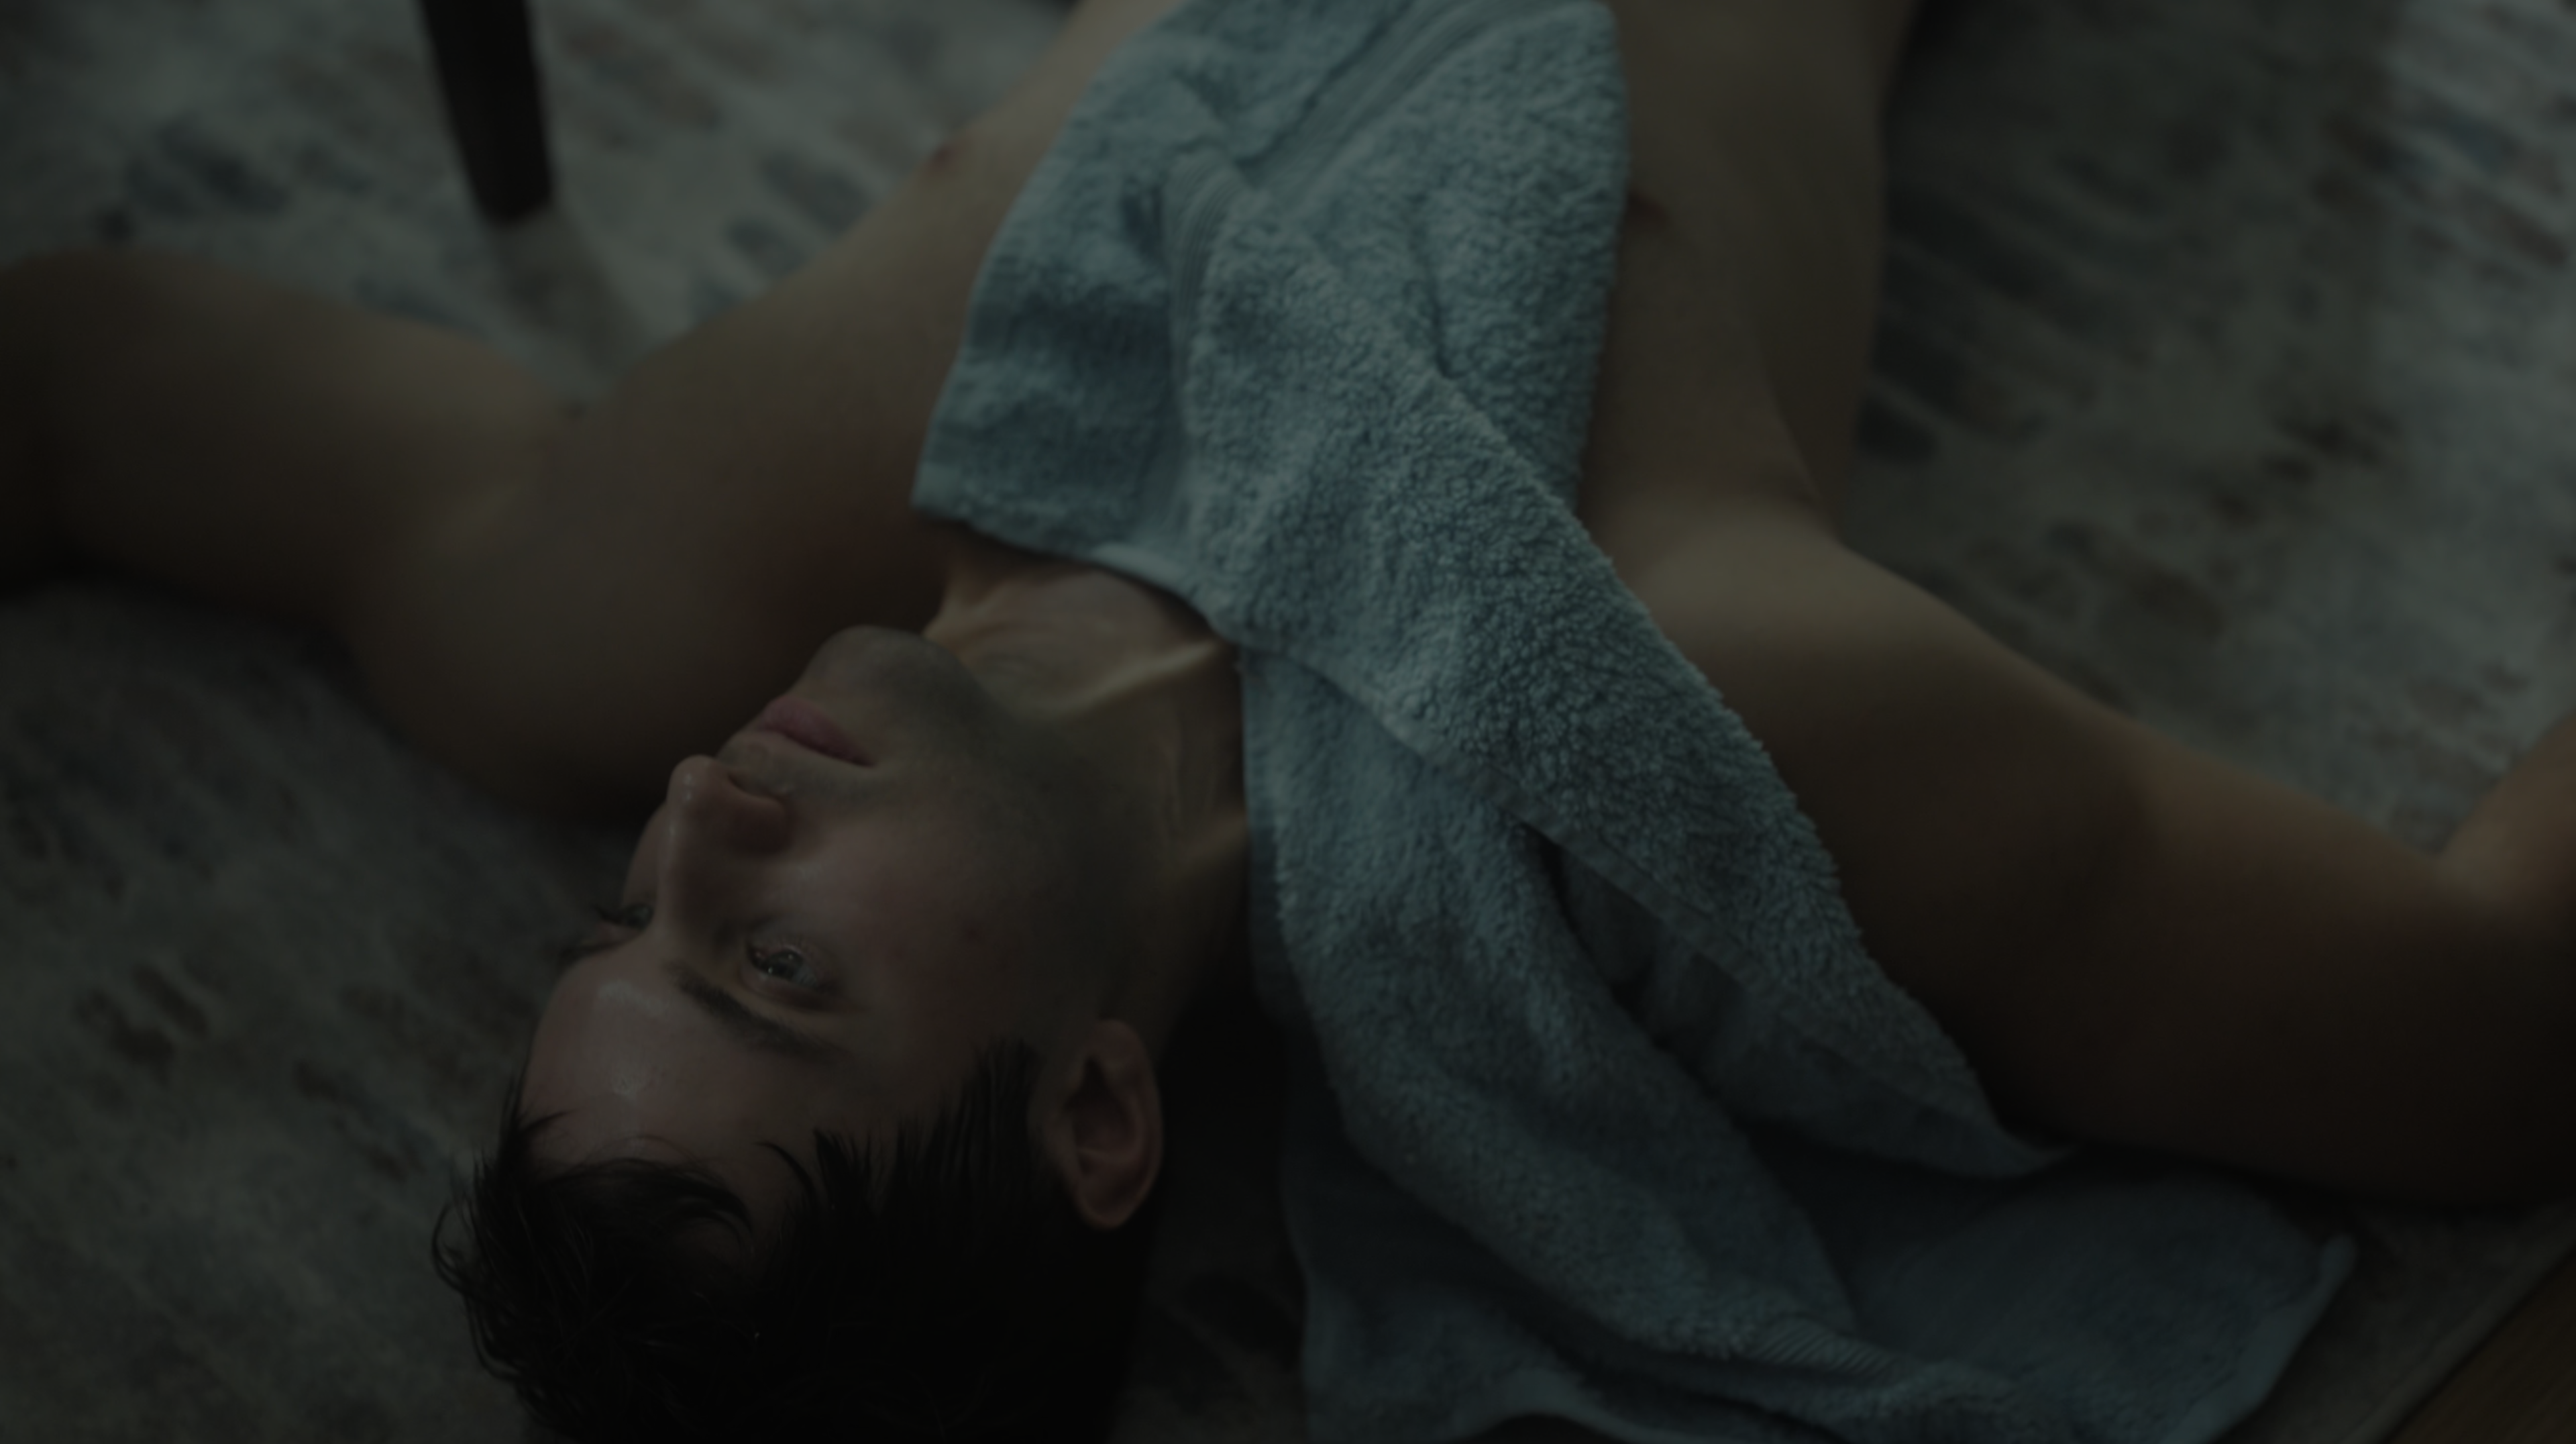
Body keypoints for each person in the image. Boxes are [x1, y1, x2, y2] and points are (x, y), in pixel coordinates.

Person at [1, 0, 2571, 1438]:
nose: (705, 811)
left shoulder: (624, 588)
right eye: (777, 966)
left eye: (630, 912)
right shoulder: (1662, 689)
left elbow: (73, 387)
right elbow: (2493, 1035)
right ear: (1100, 1115)